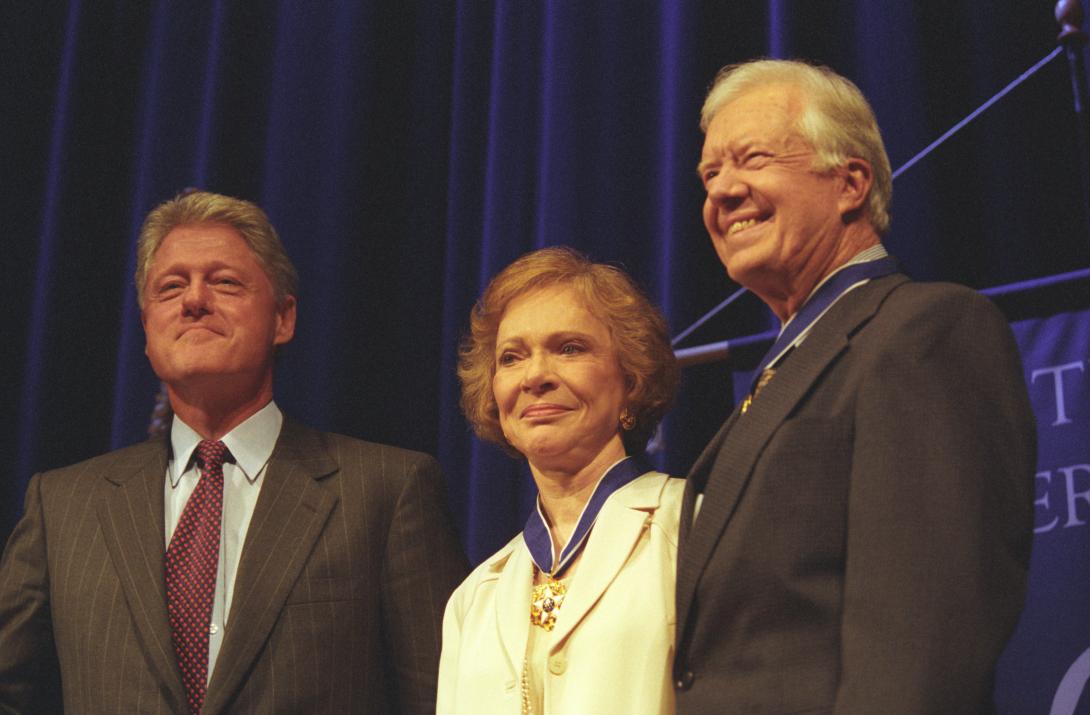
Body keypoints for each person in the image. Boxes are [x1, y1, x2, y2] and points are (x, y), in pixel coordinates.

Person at [0, 190, 467, 714]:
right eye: (171, 287)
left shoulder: (387, 491)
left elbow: (442, 698)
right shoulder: (63, 505)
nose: (194, 300)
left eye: (224, 282)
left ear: (283, 318)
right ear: (148, 332)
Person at [674, 59, 1036, 713]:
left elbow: (918, 645)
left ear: (850, 183)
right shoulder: (788, 365)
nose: (722, 191)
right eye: (709, 173)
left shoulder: (924, 333)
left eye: (752, 158)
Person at [438, 246, 682, 714]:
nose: (535, 376)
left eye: (569, 348)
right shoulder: (474, 599)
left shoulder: (689, 529)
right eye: (511, 357)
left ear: (631, 379)